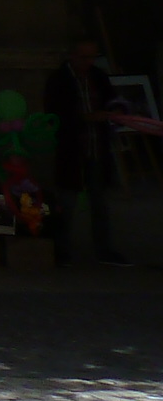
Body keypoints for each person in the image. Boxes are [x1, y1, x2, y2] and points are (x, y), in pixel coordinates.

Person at [44, 38, 121, 265]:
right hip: (72, 149)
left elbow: (113, 99)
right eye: (84, 57)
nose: (88, 62)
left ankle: (104, 249)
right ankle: (61, 249)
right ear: (72, 56)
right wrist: (87, 118)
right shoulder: (59, 79)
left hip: (97, 147)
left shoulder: (98, 77)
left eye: (92, 57)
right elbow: (55, 114)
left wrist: (115, 110)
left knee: (100, 203)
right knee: (66, 202)